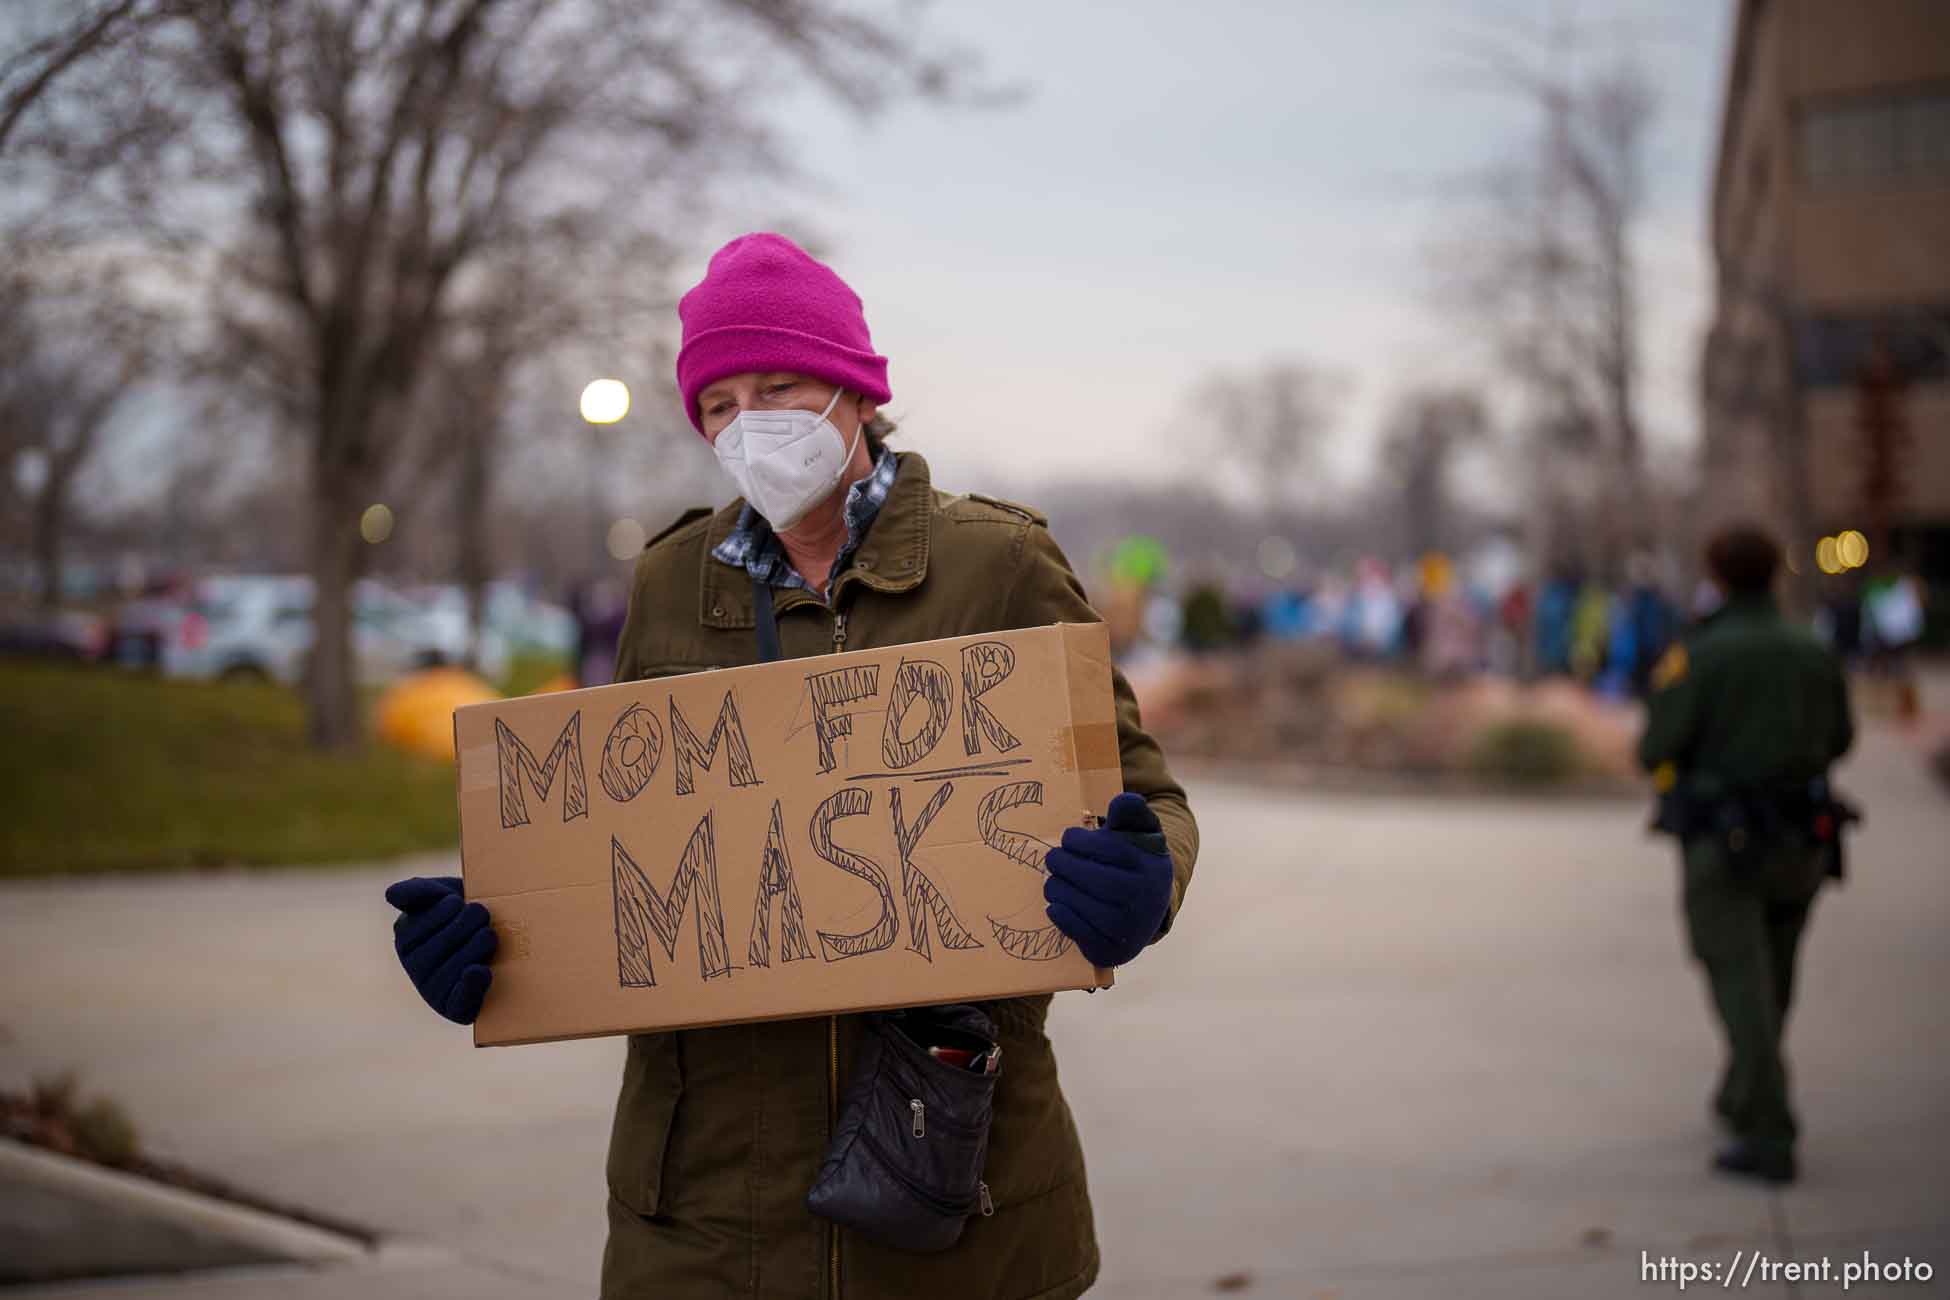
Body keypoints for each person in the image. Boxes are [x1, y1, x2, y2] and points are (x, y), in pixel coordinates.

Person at [384, 233, 1199, 1299]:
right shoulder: (672, 582)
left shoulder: (996, 563)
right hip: (709, 1209)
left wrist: (1142, 879)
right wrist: (503, 938)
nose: (748, 423)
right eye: (719, 403)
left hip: (955, 1186)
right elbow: (624, 831)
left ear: (855, 394)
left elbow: (1148, 795)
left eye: (778, 387)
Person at [1638, 523, 1854, 1185]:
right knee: (1773, 976)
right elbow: (1841, 736)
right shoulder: (1810, 648)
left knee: (1739, 980)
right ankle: (1742, 1093)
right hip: (1803, 837)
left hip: (1726, 843)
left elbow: (1657, 745)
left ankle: (1768, 1132)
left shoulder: (1701, 653)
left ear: (1718, 574)